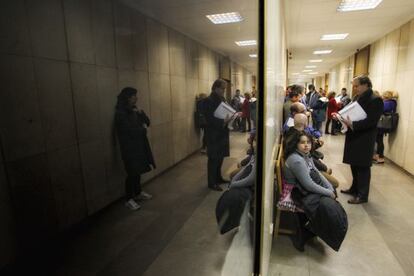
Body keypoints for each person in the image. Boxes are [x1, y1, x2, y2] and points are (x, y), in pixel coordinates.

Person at [283, 131, 336, 251]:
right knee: (325, 203)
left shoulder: (306, 155)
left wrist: (329, 188)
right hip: (294, 193)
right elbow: (308, 185)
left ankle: (312, 229)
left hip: (303, 189)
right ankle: (306, 232)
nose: (306, 145)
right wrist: (328, 193)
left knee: (330, 196)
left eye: (308, 142)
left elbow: (317, 172)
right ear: (296, 144)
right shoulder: (296, 159)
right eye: (302, 142)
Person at [337, 76, 384, 204]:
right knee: (354, 164)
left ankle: (362, 195)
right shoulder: (357, 97)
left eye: (357, 86)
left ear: (366, 85)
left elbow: (371, 121)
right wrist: (341, 118)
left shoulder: (376, 100)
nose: (355, 88)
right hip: (354, 135)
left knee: (362, 166)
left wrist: (353, 124)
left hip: (365, 138)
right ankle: (354, 188)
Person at [115, 87, 155, 211]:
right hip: (129, 148)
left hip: (139, 145)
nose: (136, 98)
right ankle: (128, 199)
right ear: (127, 98)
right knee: (131, 172)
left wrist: (141, 113)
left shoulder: (134, 110)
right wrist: (142, 130)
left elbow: (147, 122)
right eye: (134, 96)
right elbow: (128, 131)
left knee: (138, 170)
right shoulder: (120, 113)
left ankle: (137, 193)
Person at [204, 79, 232, 191]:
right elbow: (209, 119)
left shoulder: (222, 99)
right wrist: (223, 122)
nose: (224, 91)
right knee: (213, 159)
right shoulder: (208, 100)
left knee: (220, 157)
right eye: (223, 89)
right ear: (216, 88)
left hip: (221, 133)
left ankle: (218, 177)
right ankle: (211, 182)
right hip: (213, 135)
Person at [373, 91, 398, 164]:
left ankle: (381, 157)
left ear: (386, 96)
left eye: (383, 96)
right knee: (378, 140)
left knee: (379, 141)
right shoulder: (390, 102)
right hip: (382, 124)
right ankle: (378, 156)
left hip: (381, 125)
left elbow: (380, 109)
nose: (382, 97)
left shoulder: (388, 103)